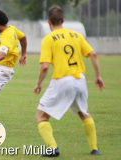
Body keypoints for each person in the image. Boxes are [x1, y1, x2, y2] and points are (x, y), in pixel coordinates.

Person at [34, 6, 105, 157]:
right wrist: (98, 76)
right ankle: (94, 149)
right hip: (80, 80)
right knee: (84, 113)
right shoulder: (76, 35)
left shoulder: (48, 39)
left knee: (41, 116)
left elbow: (45, 66)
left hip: (61, 80)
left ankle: (53, 148)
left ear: (48, 22)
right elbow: (93, 54)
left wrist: (39, 83)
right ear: (63, 20)